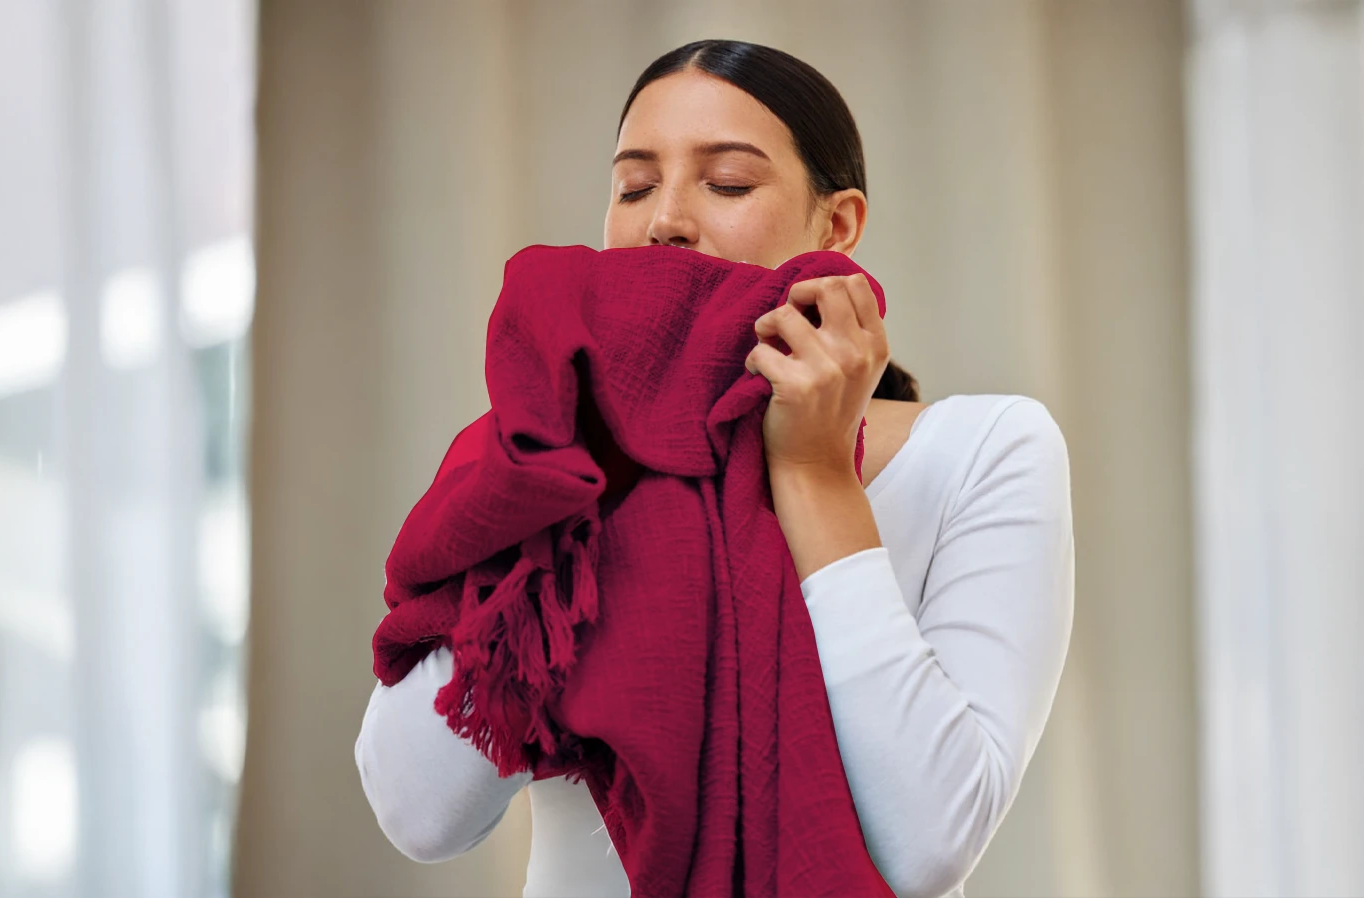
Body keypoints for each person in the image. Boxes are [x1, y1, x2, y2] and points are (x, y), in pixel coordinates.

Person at [354, 39, 1074, 898]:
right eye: (633, 186)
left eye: (726, 183)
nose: (665, 220)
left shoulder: (983, 451)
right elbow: (419, 815)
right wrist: (581, 465)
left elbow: (925, 846)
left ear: (836, 226)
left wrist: (812, 474)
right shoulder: (539, 454)